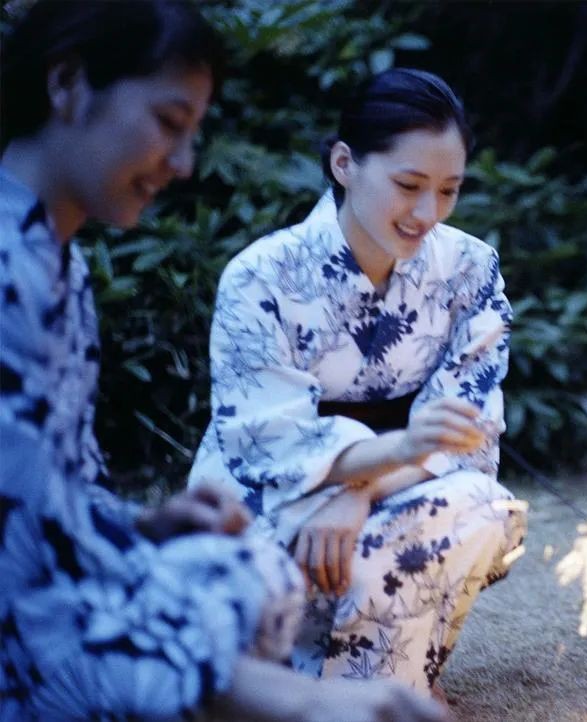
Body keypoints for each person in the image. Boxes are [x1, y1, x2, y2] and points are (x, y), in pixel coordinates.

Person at [0, 2, 444, 720]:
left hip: (69, 581)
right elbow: (23, 582)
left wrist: (147, 526)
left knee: (251, 571)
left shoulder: (57, 264)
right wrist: (290, 699)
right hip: (30, 630)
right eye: (170, 124)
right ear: (67, 85)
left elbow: (54, 497)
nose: (182, 164)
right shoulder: (8, 272)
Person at [187, 66, 525, 697]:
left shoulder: (470, 267)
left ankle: (380, 692)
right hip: (271, 495)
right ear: (344, 163)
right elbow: (264, 443)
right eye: (408, 185)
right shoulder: (261, 276)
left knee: (481, 507)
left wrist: (361, 484)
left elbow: (468, 438)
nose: (427, 213)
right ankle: (311, 684)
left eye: (448, 190)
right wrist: (348, 474)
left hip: (398, 484)